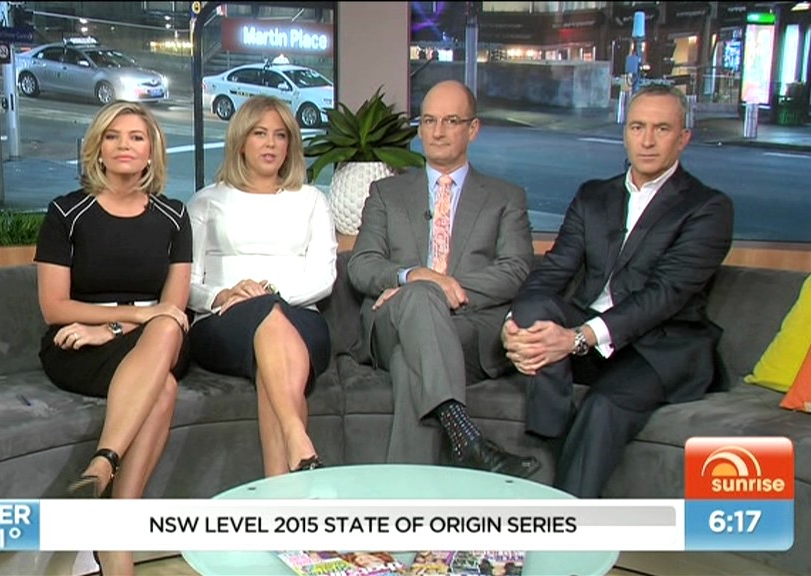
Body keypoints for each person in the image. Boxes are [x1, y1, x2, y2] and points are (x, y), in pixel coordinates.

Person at [502, 84, 734, 498]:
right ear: (625, 132)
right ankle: (551, 437)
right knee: (534, 306)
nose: (647, 141)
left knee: (603, 406)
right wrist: (514, 324)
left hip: (660, 348)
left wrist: (576, 338)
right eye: (637, 127)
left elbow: (664, 295)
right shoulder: (594, 195)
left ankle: (570, 523)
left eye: (662, 129)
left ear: (683, 138)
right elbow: (554, 270)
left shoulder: (708, 207)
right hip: (593, 342)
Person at [347, 80, 538, 479]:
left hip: (468, 328)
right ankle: (467, 437)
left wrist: (440, 289)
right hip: (391, 323)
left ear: (473, 129)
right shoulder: (386, 193)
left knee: (409, 362)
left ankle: (409, 494)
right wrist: (413, 277)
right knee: (418, 297)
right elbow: (362, 265)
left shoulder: (506, 197)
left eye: (451, 121)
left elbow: (516, 269)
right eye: (429, 120)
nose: (437, 131)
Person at [34, 100, 192, 575]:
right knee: (162, 387)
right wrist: (120, 320)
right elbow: (54, 307)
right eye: (113, 136)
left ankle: (103, 462)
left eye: (137, 137)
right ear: (97, 148)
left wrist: (115, 327)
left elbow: (173, 309)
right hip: (77, 343)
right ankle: (118, 537)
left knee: (168, 328)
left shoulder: (174, 216)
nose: (125, 145)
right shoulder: (66, 212)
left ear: (152, 151)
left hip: (151, 339)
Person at [187, 95, 337, 477]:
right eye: (259, 133)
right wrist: (223, 295)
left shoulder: (312, 200)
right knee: (267, 321)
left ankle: (280, 490)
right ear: (241, 141)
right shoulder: (206, 202)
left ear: (290, 145)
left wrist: (272, 296)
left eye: (280, 135)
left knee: (271, 326)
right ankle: (296, 437)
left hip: (300, 317)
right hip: (223, 320)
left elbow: (323, 279)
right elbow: (186, 283)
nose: (271, 144)